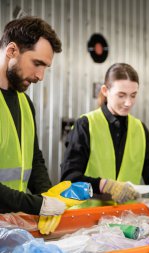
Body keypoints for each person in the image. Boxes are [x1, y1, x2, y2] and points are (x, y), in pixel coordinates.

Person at [0, 16, 82, 234]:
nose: (40, 76)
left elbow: (35, 159)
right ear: (12, 51)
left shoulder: (25, 103)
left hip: (10, 226)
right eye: (37, 64)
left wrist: (49, 197)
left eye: (46, 67)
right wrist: (38, 205)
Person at [61, 63, 149, 207]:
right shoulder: (85, 125)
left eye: (133, 95)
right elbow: (68, 180)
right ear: (105, 91)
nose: (128, 103)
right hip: (87, 220)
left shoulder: (140, 129)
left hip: (126, 219)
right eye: (121, 95)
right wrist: (104, 186)